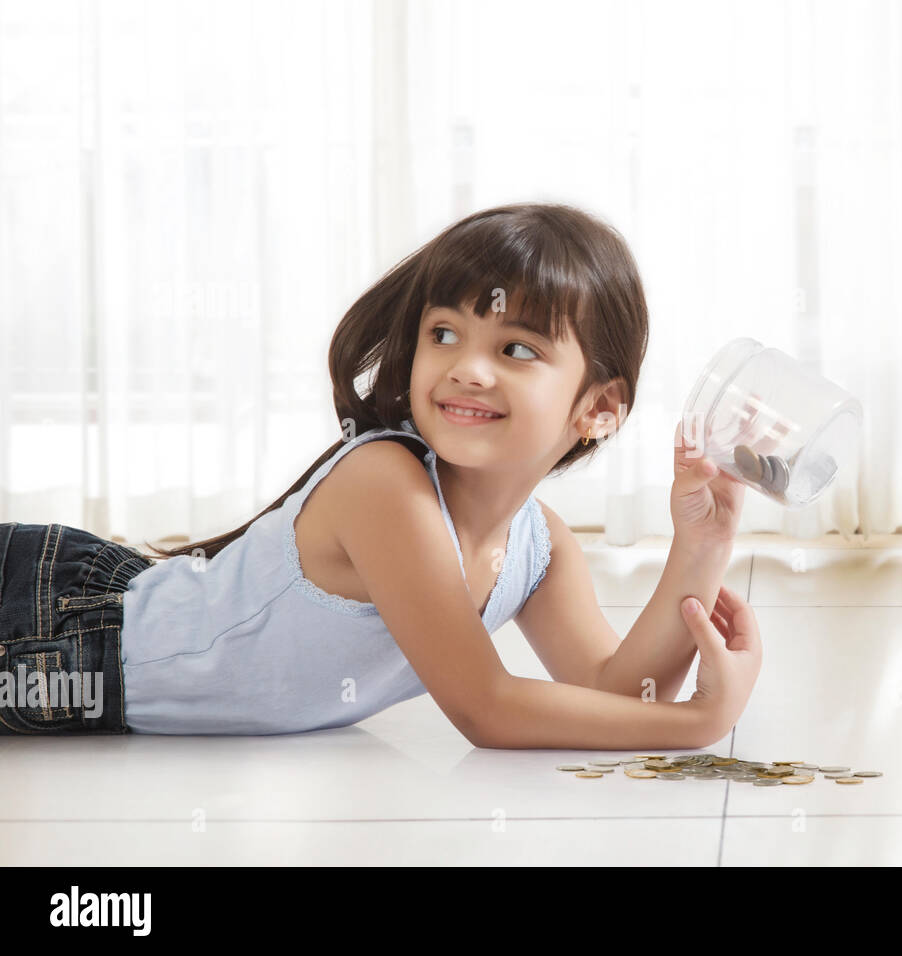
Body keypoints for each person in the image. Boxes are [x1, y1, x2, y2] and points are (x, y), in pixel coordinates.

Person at [0, 202, 762, 746]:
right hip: (53, 630)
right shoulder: (385, 485)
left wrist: (701, 545)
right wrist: (695, 724)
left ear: (598, 407)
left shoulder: (540, 546)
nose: (466, 369)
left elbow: (611, 694)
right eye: (445, 333)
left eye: (516, 350)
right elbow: (486, 708)